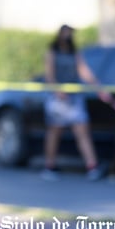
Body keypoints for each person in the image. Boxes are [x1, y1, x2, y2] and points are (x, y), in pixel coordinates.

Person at [41, 24, 104, 181]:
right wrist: (57, 90)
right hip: (58, 99)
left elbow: (83, 70)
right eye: (66, 33)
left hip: (75, 97)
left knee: (82, 131)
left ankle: (92, 166)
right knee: (55, 131)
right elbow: (49, 74)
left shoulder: (74, 52)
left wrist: (97, 86)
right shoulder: (52, 52)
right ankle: (50, 166)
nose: (68, 36)